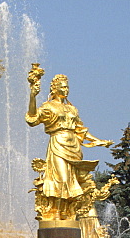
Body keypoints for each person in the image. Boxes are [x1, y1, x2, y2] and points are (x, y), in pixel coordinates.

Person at [25, 69, 112, 221]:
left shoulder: (72, 109)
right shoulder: (48, 106)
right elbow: (32, 118)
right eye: (63, 87)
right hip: (58, 142)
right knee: (61, 178)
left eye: (67, 87)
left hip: (74, 146)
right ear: (55, 88)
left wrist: (98, 141)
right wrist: (33, 96)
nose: (66, 90)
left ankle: (67, 212)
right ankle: (55, 212)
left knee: (73, 181)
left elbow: (81, 130)